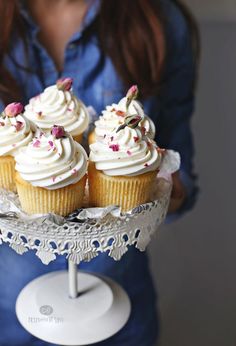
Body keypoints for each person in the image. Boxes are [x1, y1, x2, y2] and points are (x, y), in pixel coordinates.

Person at [0, 0, 199, 345]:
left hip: (119, 312)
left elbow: (183, 181)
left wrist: (160, 188)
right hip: (11, 317)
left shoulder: (160, 21)